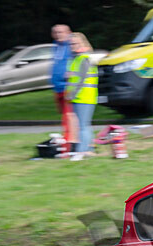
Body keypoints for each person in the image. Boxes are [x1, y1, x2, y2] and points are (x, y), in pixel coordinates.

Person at [66, 33, 98, 161]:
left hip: (84, 97)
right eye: (71, 44)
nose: (73, 46)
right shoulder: (77, 58)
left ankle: (81, 151)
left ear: (83, 43)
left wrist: (71, 94)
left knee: (83, 126)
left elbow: (81, 80)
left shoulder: (84, 58)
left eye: (75, 43)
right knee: (85, 125)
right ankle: (88, 150)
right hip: (81, 97)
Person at [50, 24, 76, 154]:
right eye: (55, 32)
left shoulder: (72, 45)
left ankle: (69, 141)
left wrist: (73, 74)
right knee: (63, 115)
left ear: (68, 33)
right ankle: (68, 138)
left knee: (68, 116)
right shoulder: (55, 47)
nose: (58, 34)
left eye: (61, 32)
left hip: (68, 86)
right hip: (57, 87)